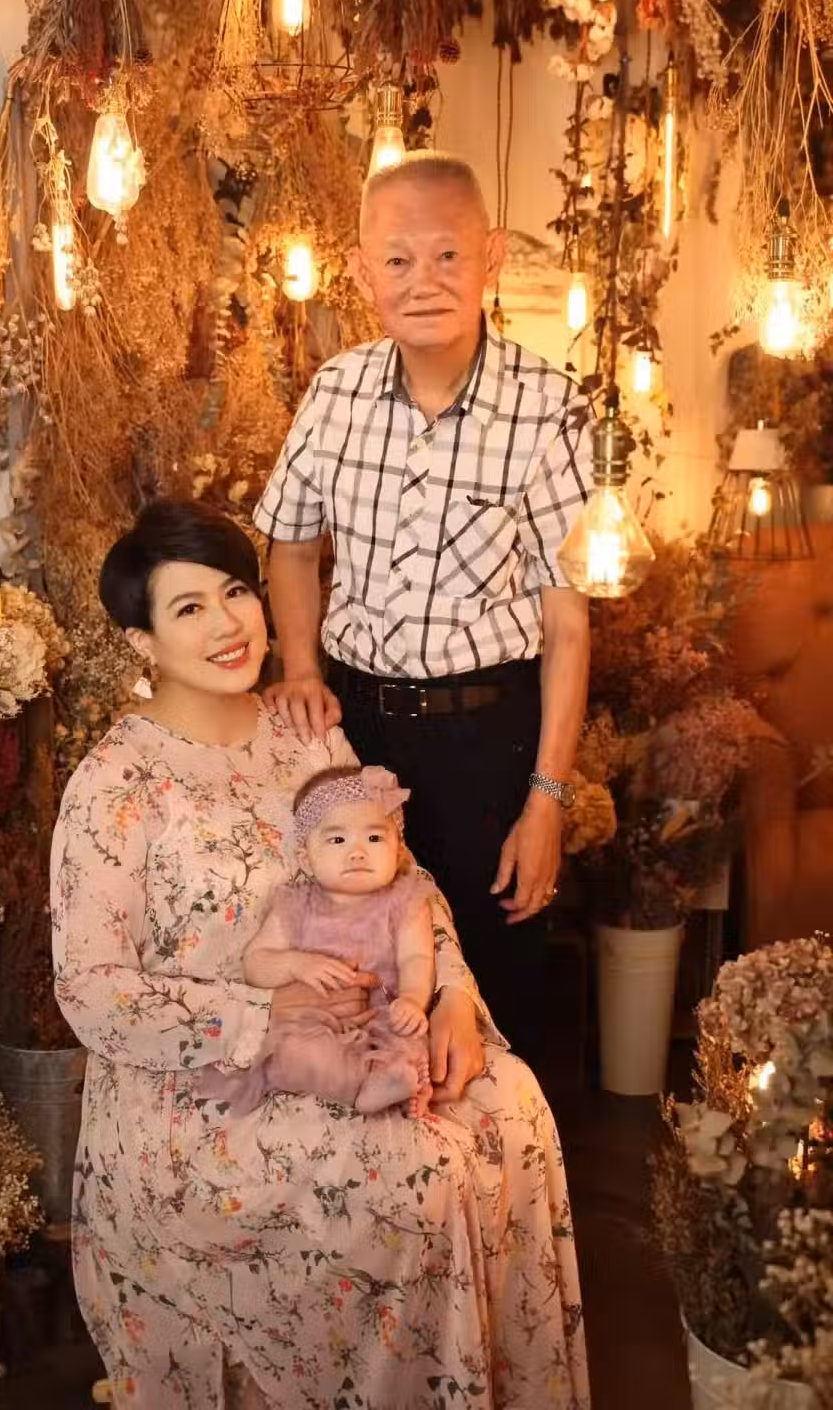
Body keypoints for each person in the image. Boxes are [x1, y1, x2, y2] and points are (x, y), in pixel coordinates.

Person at [50, 499, 589, 1410]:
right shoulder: (116, 781)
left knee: (514, 1103)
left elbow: (402, 879)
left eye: (235, 592)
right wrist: (264, 1016)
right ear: (142, 641)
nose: (227, 624)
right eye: (188, 608)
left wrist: (452, 993)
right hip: (204, 1086)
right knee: (416, 1175)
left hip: (367, 1031)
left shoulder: (307, 735)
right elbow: (91, 990)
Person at [254, 151, 592, 1067]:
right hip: (354, 732)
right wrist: (299, 668)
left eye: (448, 256)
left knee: (494, 988)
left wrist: (547, 799)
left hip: (490, 741)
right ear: (362, 271)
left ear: (491, 257)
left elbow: (567, 622)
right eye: (398, 260)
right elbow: (291, 543)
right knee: (361, 979)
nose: (424, 282)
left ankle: (503, 1158)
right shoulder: (335, 392)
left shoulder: (549, 407)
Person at [200, 764, 436, 1118]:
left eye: (374, 838)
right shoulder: (295, 905)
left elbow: (417, 958)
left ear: (399, 850)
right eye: (337, 840)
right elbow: (256, 963)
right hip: (315, 1022)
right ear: (305, 858)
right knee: (295, 1054)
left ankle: (399, 1081)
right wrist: (297, 964)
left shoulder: (405, 901)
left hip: (382, 1016)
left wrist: (414, 1000)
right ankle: (365, 1087)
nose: (358, 852)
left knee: (409, 1037)